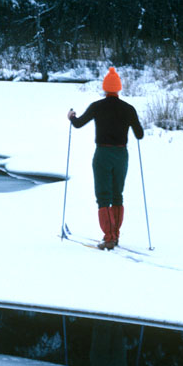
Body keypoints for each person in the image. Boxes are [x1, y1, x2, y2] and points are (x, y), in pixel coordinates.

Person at [67, 67, 144, 250]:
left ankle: (109, 238)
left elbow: (78, 124)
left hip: (102, 155)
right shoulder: (128, 109)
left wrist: (72, 117)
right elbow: (139, 135)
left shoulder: (97, 106)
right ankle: (115, 235)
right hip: (121, 155)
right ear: (118, 88)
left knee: (103, 196)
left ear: (105, 88)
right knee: (118, 195)